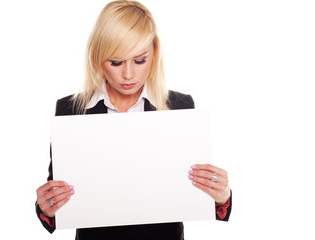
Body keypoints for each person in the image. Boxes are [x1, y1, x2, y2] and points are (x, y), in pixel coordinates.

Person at [35, 1, 232, 239]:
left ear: (154, 53)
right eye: (116, 62)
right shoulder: (70, 109)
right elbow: (57, 198)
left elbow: (193, 198)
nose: (128, 74)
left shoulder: (180, 107)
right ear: (98, 57)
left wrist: (221, 195)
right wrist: (46, 207)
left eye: (140, 60)